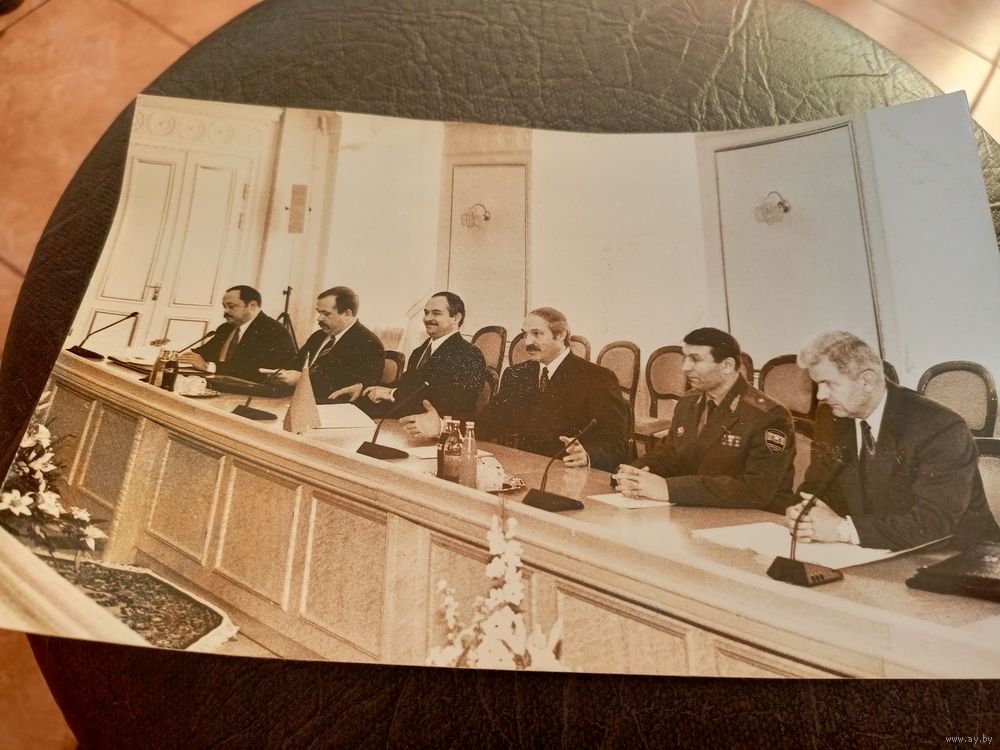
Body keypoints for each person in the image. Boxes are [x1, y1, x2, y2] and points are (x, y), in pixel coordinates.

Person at [786, 330, 1000, 551]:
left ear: (867, 381)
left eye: (829, 384)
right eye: (817, 385)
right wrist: (802, 513)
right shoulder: (831, 418)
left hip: (959, 556)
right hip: (878, 550)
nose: (820, 395)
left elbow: (933, 524)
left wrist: (842, 529)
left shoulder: (939, 427)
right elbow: (818, 487)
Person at [401, 306, 629, 471]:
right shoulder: (518, 374)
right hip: (524, 469)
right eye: (525, 334)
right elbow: (489, 421)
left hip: (568, 472)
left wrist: (587, 455)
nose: (527, 342)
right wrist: (444, 426)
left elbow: (617, 443)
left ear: (561, 335)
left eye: (537, 334)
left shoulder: (597, 378)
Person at [613, 328, 796, 512]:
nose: (685, 367)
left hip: (753, 518)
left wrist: (668, 489)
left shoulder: (768, 416)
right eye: (685, 358)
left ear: (727, 365)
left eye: (695, 359)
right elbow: (669, 454)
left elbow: (755, 490)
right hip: (700, 511)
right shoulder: (688, 402)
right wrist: (631, 474)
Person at [359, 291, 486, 420]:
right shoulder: (419, 351)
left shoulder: (469, 354)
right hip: (411, 418)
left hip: (441, 427)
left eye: (436, 313)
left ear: (456, 318)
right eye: (426, 313)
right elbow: (405, 384)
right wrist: (366, 389)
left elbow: (449, 401)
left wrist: (391, 393)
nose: (427, 318)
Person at [271, 286, 384, 404]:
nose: (319, 318)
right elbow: (295, 365)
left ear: (347, 314)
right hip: (294, 400)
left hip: (329, 407)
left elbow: (350, 388)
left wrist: (302, 381)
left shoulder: (369, 344)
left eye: (326, 313)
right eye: (319, 312)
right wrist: (279, 375)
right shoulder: (318, 336)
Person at [179, 285, 295, 383]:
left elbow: (260, 370)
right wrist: (179, 357)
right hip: (218, 386)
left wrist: (208, 366)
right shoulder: (225, 328)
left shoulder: (275, 331)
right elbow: (204, 353)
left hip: (250, 395)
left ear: (252, 306)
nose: (225, 311)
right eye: (224, 307)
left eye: (231, 306)